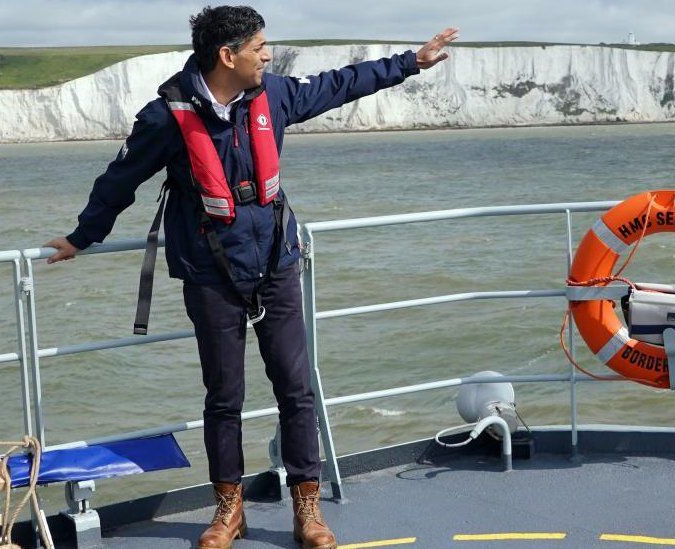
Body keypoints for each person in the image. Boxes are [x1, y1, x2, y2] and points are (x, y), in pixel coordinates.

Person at [42, 6, 457, 549]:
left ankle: (307, 510)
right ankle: (228, 510)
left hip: (277, 266)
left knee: (296, 388)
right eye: (259, 47)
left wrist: (412, 62)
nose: (267, 55)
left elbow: (341, 84)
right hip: (211, 275)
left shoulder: (275, 96)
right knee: (224, 396)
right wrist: (83, 237)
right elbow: (121, 179)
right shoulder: (166, 118)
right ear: (227, 55)